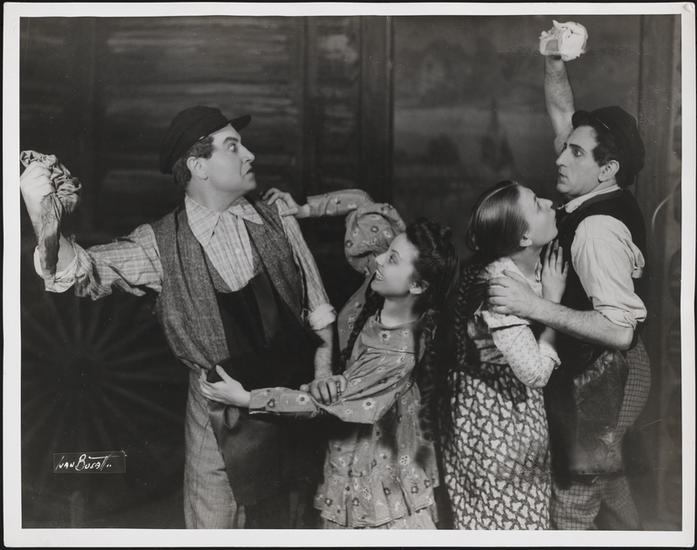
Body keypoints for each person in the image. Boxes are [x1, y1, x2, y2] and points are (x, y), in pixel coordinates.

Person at [19, 106, 339, 529]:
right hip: (216, 412)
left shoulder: (277, 216)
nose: (250, 155)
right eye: (233, 146)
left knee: (289, 518)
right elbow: (83, 271)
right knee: (213, 522)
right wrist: (45, 219)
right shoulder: (159, 244)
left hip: (289, 399)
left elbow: (318, 308)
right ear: (198, 166)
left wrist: (323, 372)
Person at [198, 188, 460, 529]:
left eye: (392, 258)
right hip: (353, 447)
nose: (378, 258)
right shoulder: (383, 281)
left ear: (418, 286)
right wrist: (305, 209)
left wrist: (247, 399)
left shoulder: (396, 355)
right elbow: (362, 202)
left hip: (377, 469)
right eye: (387, 251)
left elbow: (321, 405)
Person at [488, 54, 651, 529]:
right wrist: (555, 63)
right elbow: (563, 114)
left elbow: (619, 332)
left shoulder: (597, 229)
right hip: (598, 367)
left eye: (575, 153)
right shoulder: (597, 190)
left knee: (574, 496)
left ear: (607, 168)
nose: (559, 157)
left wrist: (534, 305)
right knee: (607, 479)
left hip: (611, 370)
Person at [438, 180, 567, 529]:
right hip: (498, 423)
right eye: (537, 204)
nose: (550, 202)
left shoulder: (521, 265)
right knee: (511, 521)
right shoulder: (502, 289)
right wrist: (552, 304)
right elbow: (536, 373)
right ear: (523, 237)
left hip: (497, 414)